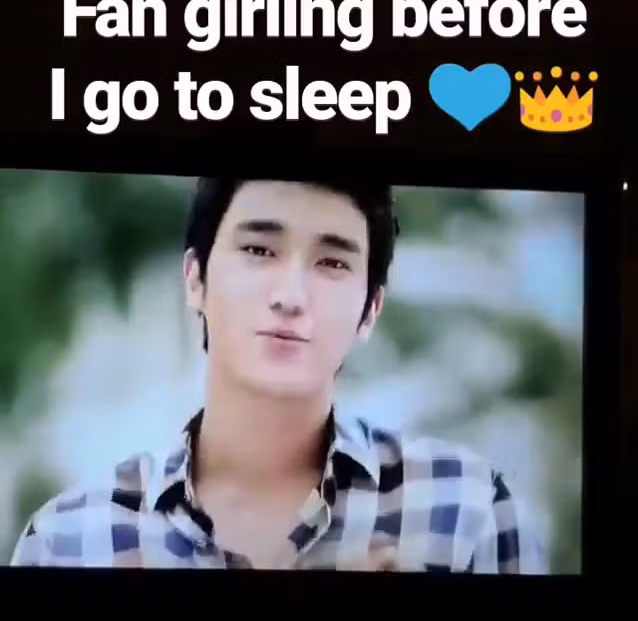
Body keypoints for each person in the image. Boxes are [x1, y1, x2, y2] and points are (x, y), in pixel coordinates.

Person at [11, 176, 545, 572]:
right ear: (195, 279)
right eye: (258, 250)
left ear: (371, 310)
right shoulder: (72, 540)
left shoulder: (467, 511)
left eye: (332, 263)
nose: (290, 296)